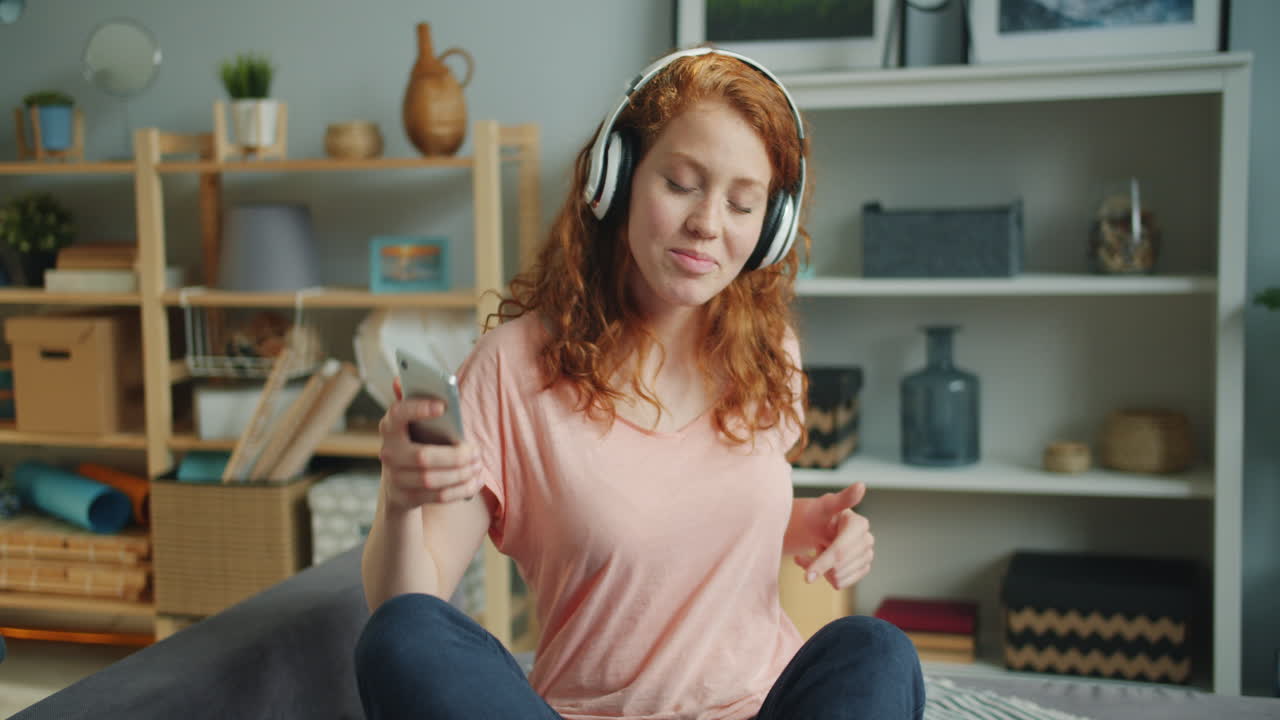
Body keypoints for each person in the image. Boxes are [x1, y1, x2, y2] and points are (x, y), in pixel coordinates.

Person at [356, 47, 925, 720]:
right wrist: (402, 500)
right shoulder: (510, 370)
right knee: (402, 636)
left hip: (756, 709)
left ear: (769, 228)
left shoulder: (770, 354)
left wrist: (803, 525)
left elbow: (679, 524)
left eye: (743, 204)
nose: (707, 224)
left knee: (876, 649)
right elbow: (408, 608)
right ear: (617, 178)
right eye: (681, 184)